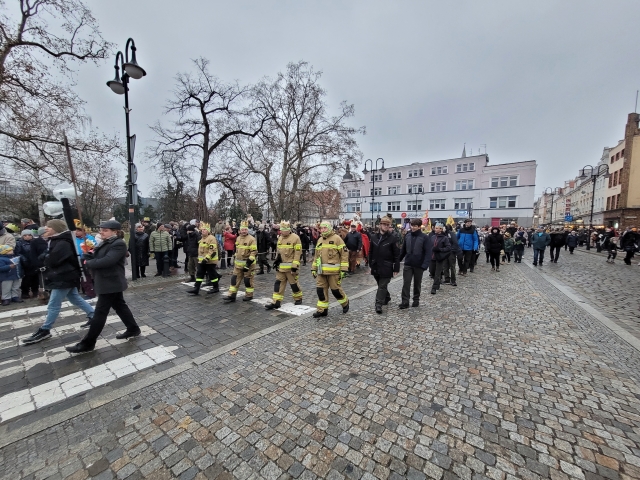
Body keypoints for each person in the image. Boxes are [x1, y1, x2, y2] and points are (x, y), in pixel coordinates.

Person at [65, 220, 141, 353]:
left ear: (115, 232)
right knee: (120, 306)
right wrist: (88, 254)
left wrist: (89, 263)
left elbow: (108, 261)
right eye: (101, 229)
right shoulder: (105, 242)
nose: (101, 232)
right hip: (107, 281)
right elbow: (98, 256)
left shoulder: (118, 243)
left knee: (100, 313)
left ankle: (88, 343)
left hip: (111, 282)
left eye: (105, 230)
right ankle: (133, 329)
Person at [22, 220, 95, 345]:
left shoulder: (62, 242)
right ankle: (93, 315)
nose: (46, 228)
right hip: (65, 276)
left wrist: (46, 257)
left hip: (63, 277)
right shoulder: (58, 240)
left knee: (53, 304)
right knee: (74, 298)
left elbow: (53, 260)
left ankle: (45, 330)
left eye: (49, 227)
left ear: (56, 228)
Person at [311, 221, 349, 318]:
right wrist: (314, 268)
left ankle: (345, 303)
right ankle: (322, 310)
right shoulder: (319, 240)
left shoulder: (337, 239)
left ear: (329, 228)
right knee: (320, 290)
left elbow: (344, 254)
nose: (323, 230)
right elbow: (316, 256)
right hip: (321, 272)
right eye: (322, 228)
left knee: (336, 290)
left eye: (325, 228)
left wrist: (344, 269)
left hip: (334, 272)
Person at [265, 221, 303, 310]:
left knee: (294, 284)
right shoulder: (280, 238)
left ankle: (298, 298)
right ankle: (276, 302)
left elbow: (298, 253)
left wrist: (295, 266)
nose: (281, 232)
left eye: (283, 230)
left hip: (291, 268)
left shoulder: (295, 238)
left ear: (288, 230)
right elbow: (279, 251)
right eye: (281, 230)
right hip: (281, 267)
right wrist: (277, 261)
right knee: (278, 284)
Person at [368, 215, 401, 314]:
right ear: (380, 225)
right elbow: (370, 251)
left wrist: (396, 267)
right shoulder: (374, 237)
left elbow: (396, 254)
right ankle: (387, 297)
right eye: (384, 224)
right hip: (376, 265)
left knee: (382, 286)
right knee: (380, 284)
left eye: (388, 225)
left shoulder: (392, 238)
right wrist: (370, 263)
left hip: (387, 265)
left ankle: (378, 304)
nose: (386, 226)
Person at [398, 218, 429, 309]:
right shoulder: (407, 236)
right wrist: (398, 260)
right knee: (406, 283)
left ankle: (416, 299)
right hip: (408, 263)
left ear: (419, 227)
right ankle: (405, 302)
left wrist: (425, 265)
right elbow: (403, 250)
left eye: (415, 226)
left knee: (417, 283)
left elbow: (428, 252)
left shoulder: (424, 237)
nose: (413, 227)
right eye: (412, 225)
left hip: (419, 264)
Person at [223, 220, 257, 303]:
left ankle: (249, 295)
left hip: (248, 265)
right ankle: (232, 295)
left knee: (247, 281)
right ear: (240, 230)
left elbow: (254, 252)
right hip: (238, 265)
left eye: (245, 229)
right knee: (234, 280)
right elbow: (237, 250)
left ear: (247, 230)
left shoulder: (251, 239)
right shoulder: (238, 238)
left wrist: (248, 264)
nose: (244, 231)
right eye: (242, 229)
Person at [187, 223, 221, 295]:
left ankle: (216, 287)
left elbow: (212, 251)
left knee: (212, 275)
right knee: (199, 275)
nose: (203, 231)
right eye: (202, 230)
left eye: (205, 229)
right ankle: (196, 288)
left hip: (210, 261)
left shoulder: (211, 238)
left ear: (208, 231)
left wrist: (206, 259)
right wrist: (201, 260)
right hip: (202, 261)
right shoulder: (202, 238)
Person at [15, 230, 40, 299]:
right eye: (25, 235)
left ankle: (35, 291)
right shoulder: (19, 243)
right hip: (25, 263)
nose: (27, 237)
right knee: (27, 278)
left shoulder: (35, 242)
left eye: (29, 235)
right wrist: (24, 260)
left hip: (34, 262)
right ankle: (25, 292)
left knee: (36, 278)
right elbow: (18, 253)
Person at [429, 223, 451, 294]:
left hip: (439, 258)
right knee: (432, 272)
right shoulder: (432, 237)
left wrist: (440, 249)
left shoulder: (445, 238)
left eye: (437, 228)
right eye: (435, 228)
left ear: (441, 229)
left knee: (437, 273)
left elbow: (448, 248)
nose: (436, 229)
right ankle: (437, 282)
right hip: (432, 257)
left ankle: (434, 288)